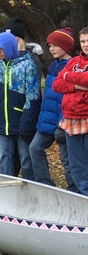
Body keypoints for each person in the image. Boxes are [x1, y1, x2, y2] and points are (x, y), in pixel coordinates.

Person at [0, 31, 41, 177]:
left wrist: (28, 119)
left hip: (21, 117)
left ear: (10, 47)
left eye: (1, 49)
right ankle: (7, 185)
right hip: (2, 118)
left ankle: (30, 185)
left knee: (25, 157)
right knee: (4, 155)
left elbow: (33, 94)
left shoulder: (27, 66)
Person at [27, 27, 75, 187]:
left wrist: (63, 122)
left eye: (55, 45)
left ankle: (75, 190)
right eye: (49, 46)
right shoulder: (54, 65)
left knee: (67, 160)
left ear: (66, 46)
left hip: (64, 122)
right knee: (34, 148)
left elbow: (70, 97)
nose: (51, 49)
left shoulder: (72, 66)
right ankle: (45, 185)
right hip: (47, 120)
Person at [53, 27, 88, 196]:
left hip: (86, 117)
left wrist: (67, 76)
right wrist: (77, 85)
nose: (86, 45)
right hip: (70, 120)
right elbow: (56, 84)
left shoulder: (70, 68)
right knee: (77, 166)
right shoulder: (73, 62)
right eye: (82, 41)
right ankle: (83, 198)